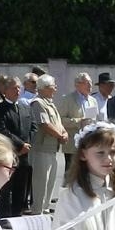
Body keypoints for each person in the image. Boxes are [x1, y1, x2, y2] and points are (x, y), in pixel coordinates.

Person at [0, 75, 33, 220]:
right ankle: (4, 216)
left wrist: (27, 144)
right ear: (5, 91)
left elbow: (33, 127)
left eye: (19, 88)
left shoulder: (26, 108)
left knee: (21, 186)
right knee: (6, 186)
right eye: (14, 88)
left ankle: (17, 214)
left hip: (24, 154)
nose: (17, 91)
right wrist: (20, 145)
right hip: (7, 152)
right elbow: (1, 130)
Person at [30, 74, 68, 215]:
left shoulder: (49, 103)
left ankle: (45, 208)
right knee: (41, 181)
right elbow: (44, 124)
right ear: (45, 88)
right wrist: (60, 135)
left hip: (53, 148)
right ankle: (37, 210)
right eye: (53, 86)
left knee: (50, 181)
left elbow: (58, 123)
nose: (56, 88)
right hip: (42, 148)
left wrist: (64, 133)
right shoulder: (38, 103)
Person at [57, 73, 101, 181]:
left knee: (87, 174)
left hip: (89, 143)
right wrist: (79, 122)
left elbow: (96, 118)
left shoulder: (93, 100)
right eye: (87, 83)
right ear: (78, 84)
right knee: (72, 174)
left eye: (90, 83)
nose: (90, 85)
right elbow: (60, 120)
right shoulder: (68, 99)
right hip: (73, 144)